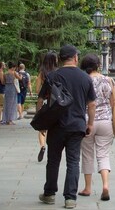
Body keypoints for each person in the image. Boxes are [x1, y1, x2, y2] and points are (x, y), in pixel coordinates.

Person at [38, 45, 95, 209]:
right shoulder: (85, 78)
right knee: (73, 161)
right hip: (77, 126)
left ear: (61, 59)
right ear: (75, 58)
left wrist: (42, 122)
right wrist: (90, 124)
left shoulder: (53, 76)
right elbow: (92, 104)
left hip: (56, 125)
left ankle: (49, 194)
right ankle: (70, 198)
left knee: (53, 160)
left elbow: (41, 100)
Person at [78, 54, 115, 201]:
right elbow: (114, 103)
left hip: (88, 121)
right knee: (103, 154)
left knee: (87, 155)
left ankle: (87, 188)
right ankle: (105, 185)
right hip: (106, 121)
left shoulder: (83, 80)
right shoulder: (109, 80)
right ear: (98, 65)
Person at [35, 51, 57, 162]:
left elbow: (38, 90)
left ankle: (42, 146)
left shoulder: (42, 73)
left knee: (42, 128)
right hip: (56, 104)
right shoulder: (57, 73)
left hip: (45, 103)